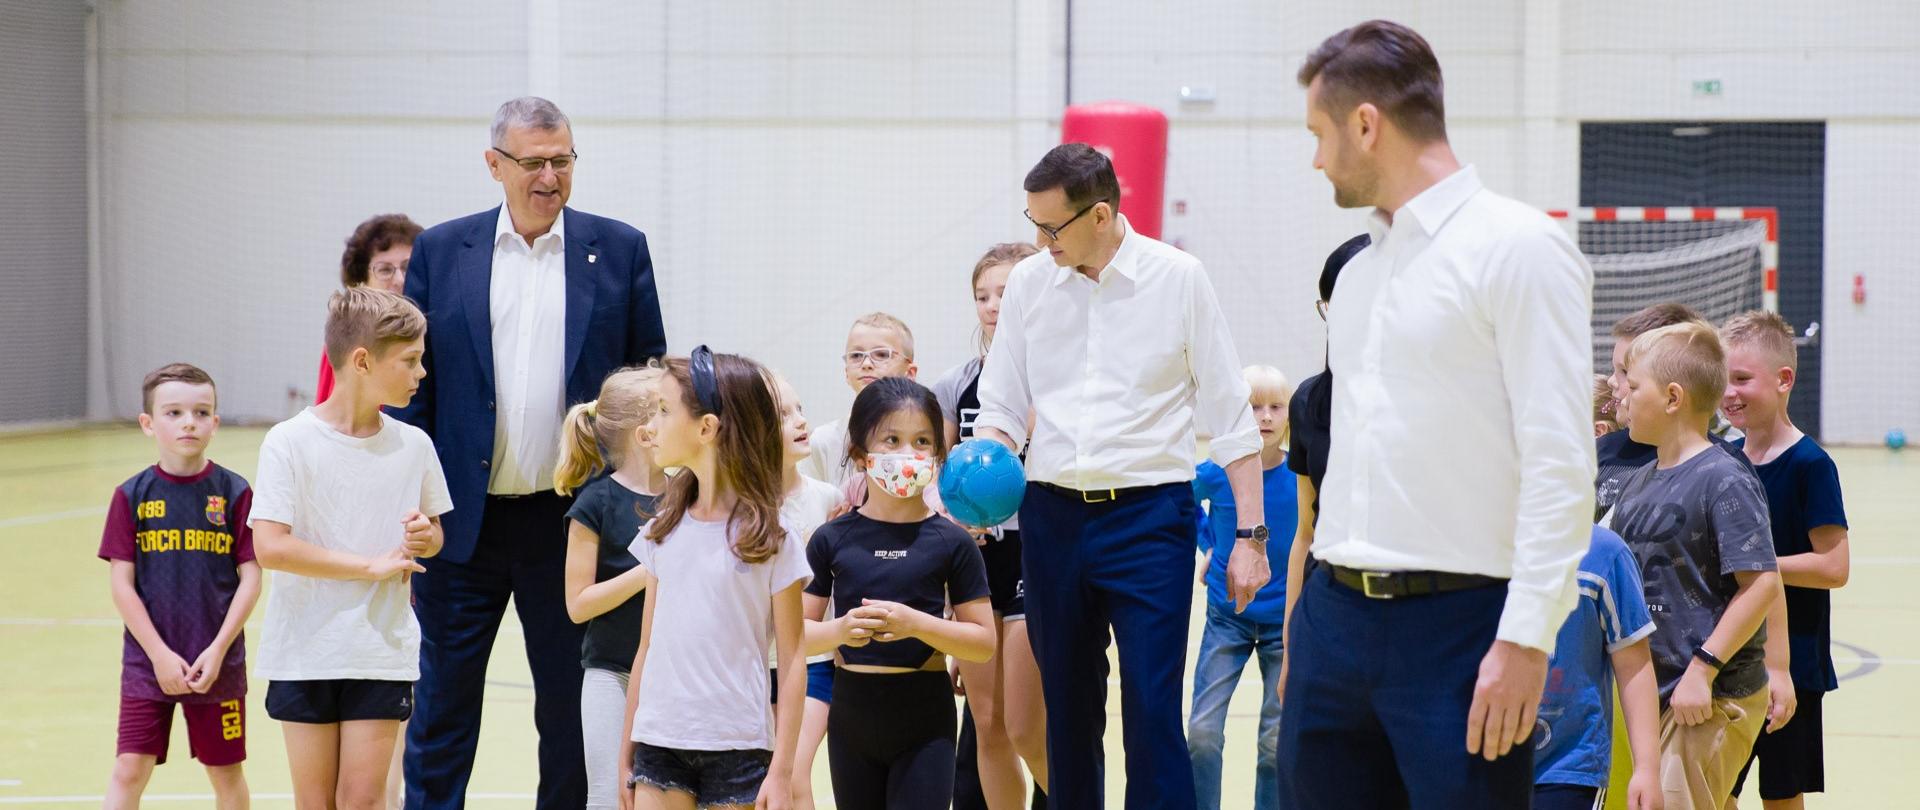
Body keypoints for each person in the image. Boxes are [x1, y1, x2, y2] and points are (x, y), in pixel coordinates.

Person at [1279, 21, 1596, 809]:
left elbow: (1561, 462)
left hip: (1462, 631)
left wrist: (1526, 635)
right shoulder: (1356, 277)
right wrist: (1307, 628)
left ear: (1365, 124)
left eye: (1319, 135)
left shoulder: (1520, 249)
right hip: (1333, 623)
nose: (1316, 159)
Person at [974, 142, 1269, 810]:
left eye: (1051, 227)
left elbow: (1230, 416)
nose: (1040, 241)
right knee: (1068, 712)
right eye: (1032, 223)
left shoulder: (1179, 278)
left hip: (1150, 520)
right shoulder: (1029, 283)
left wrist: (1250, 537)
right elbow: (1001, 406)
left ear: (1101, 214)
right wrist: (982, 469)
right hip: (1051, 517)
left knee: (1151, 710)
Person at [395, 96, 667, 810]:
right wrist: (410, 506)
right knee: (441, 711)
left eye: (563, 160)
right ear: (495, 165)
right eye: (534, 162)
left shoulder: (621, 248)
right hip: (458, 526)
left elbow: (648, 385)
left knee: (568, 713)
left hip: (572, 527)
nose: (550, 176)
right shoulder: (440, 250)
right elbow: (413, 391)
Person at [251, 288, 452, 810]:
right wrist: (369, 566)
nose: (421, 373)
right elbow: (271, 547)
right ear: (363, 361)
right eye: (410, 361)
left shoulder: (414, 445)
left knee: (362, 800)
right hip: (304, 650)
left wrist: (424, 536)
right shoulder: (288, 441)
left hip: (378, 650)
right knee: (314, 802)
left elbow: (433, 531)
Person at [617, 348, 809, 810]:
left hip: (739, 747)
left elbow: (794, 656)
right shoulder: (662, 529)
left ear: (707, 428)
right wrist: (627, 749)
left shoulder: (772, 539)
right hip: (659, 741)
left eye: (664, 411)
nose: (653, 426)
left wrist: (782, 772)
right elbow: (646, 647)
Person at [1608, 321, 1785, 810]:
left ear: (1671, 398)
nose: (1621, 392)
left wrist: (1703, 670)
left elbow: (1762, 582)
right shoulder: (1638, 482)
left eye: (1633, 383)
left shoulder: (1723, 478)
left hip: (1708, 694)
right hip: (1658, 695)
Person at [803, 377, 997, 809]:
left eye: (922, 441)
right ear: (859, 452)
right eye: (892, 440)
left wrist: (917, 624)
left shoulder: (952, 542)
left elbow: (984, 643)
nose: (908, 454)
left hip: (924, 719)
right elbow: (795, 635)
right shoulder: (831, 538)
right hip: (851, 714)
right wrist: (840, 630)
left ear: (938, 454)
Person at [100, 364, 260, 810]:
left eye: (201, 411)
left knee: (226, 772)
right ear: (148, 423)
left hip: (218, 665)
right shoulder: (131, 495)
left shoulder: (234, 492)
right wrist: (158, 656)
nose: (189, 421)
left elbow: (251, 578)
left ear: (215, 422)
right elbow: (122, 586)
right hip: (148, 663)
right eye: (173, 412)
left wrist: (218, 648)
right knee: (129, 768)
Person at [932, 242, 1050, 810]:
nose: (993, 304)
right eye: (983, 295)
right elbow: (943, 472)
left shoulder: (1055, 377)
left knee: (1028, 728)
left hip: (1035, 559)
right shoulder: (956, 384)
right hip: (977, 564)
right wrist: (958, 522)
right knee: (989, 725)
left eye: (1004, 291)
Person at [1721, 311, 1850, 810]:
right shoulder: (1722, 458)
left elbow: (1834, 567)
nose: (1729, 392)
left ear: (1783, 380)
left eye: (1742, 379)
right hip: (1731, 651)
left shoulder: (1810, 465)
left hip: (1791, 661)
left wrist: (1759, 563)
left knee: (1781, 791)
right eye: (1724, 379)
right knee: (1717, 785)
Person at [553, 367, 669, 810]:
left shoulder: (686, 496)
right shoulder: (595, 503)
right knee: (609, 794)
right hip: (609, 674)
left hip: (668, 674)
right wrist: (648, 570)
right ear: (644, 434)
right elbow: (578, 605)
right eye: (665, 409)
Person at [1188, 366, 1299, 810]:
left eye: (1275, 407)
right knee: (1201, 735)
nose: (1265, 416)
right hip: (1226, 618)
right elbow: (1183, 498)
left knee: (1275, 747)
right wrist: (1210, 545)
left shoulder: (1300, 474)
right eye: (1254, 406)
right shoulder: (1217, 471)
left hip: (1281, 627)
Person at [1276, 234, 1369, 714]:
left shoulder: (1431, 399)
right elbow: (1305, 534)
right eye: (1330, 305)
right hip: (1326, 603)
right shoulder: (1309, 402)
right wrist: (1291, 647)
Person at [1532, 523, 1662, 810]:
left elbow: (1634, 667)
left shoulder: (1604, 552)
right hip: (1480, 761)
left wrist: (1647, 769)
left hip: (1570, 765)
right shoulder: (1474, 548)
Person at [767, 372, 852, 810]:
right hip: (751, 665)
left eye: (799, 409)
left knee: (795, 773)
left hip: (814, 662)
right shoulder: (742, 505)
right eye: (784, 415)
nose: (800, 421)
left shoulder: (827, 498)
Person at [1596, 303, 1755, 521]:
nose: (1612, 381)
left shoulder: (1727, 469)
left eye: (1628, 376)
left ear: (1673, 396)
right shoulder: (1604, 452)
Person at [800, 312, 920, 504]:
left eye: (881, 354)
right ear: (846, 372)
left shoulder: (921, 441)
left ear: (910, 373)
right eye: (856, 355)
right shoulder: (821, 442)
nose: (866, 364)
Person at [317, 214, 422, 405]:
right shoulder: (344, 339)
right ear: (361, 280)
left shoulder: (431, 338)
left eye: (408, 268)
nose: (400, 280)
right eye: (385, 270)